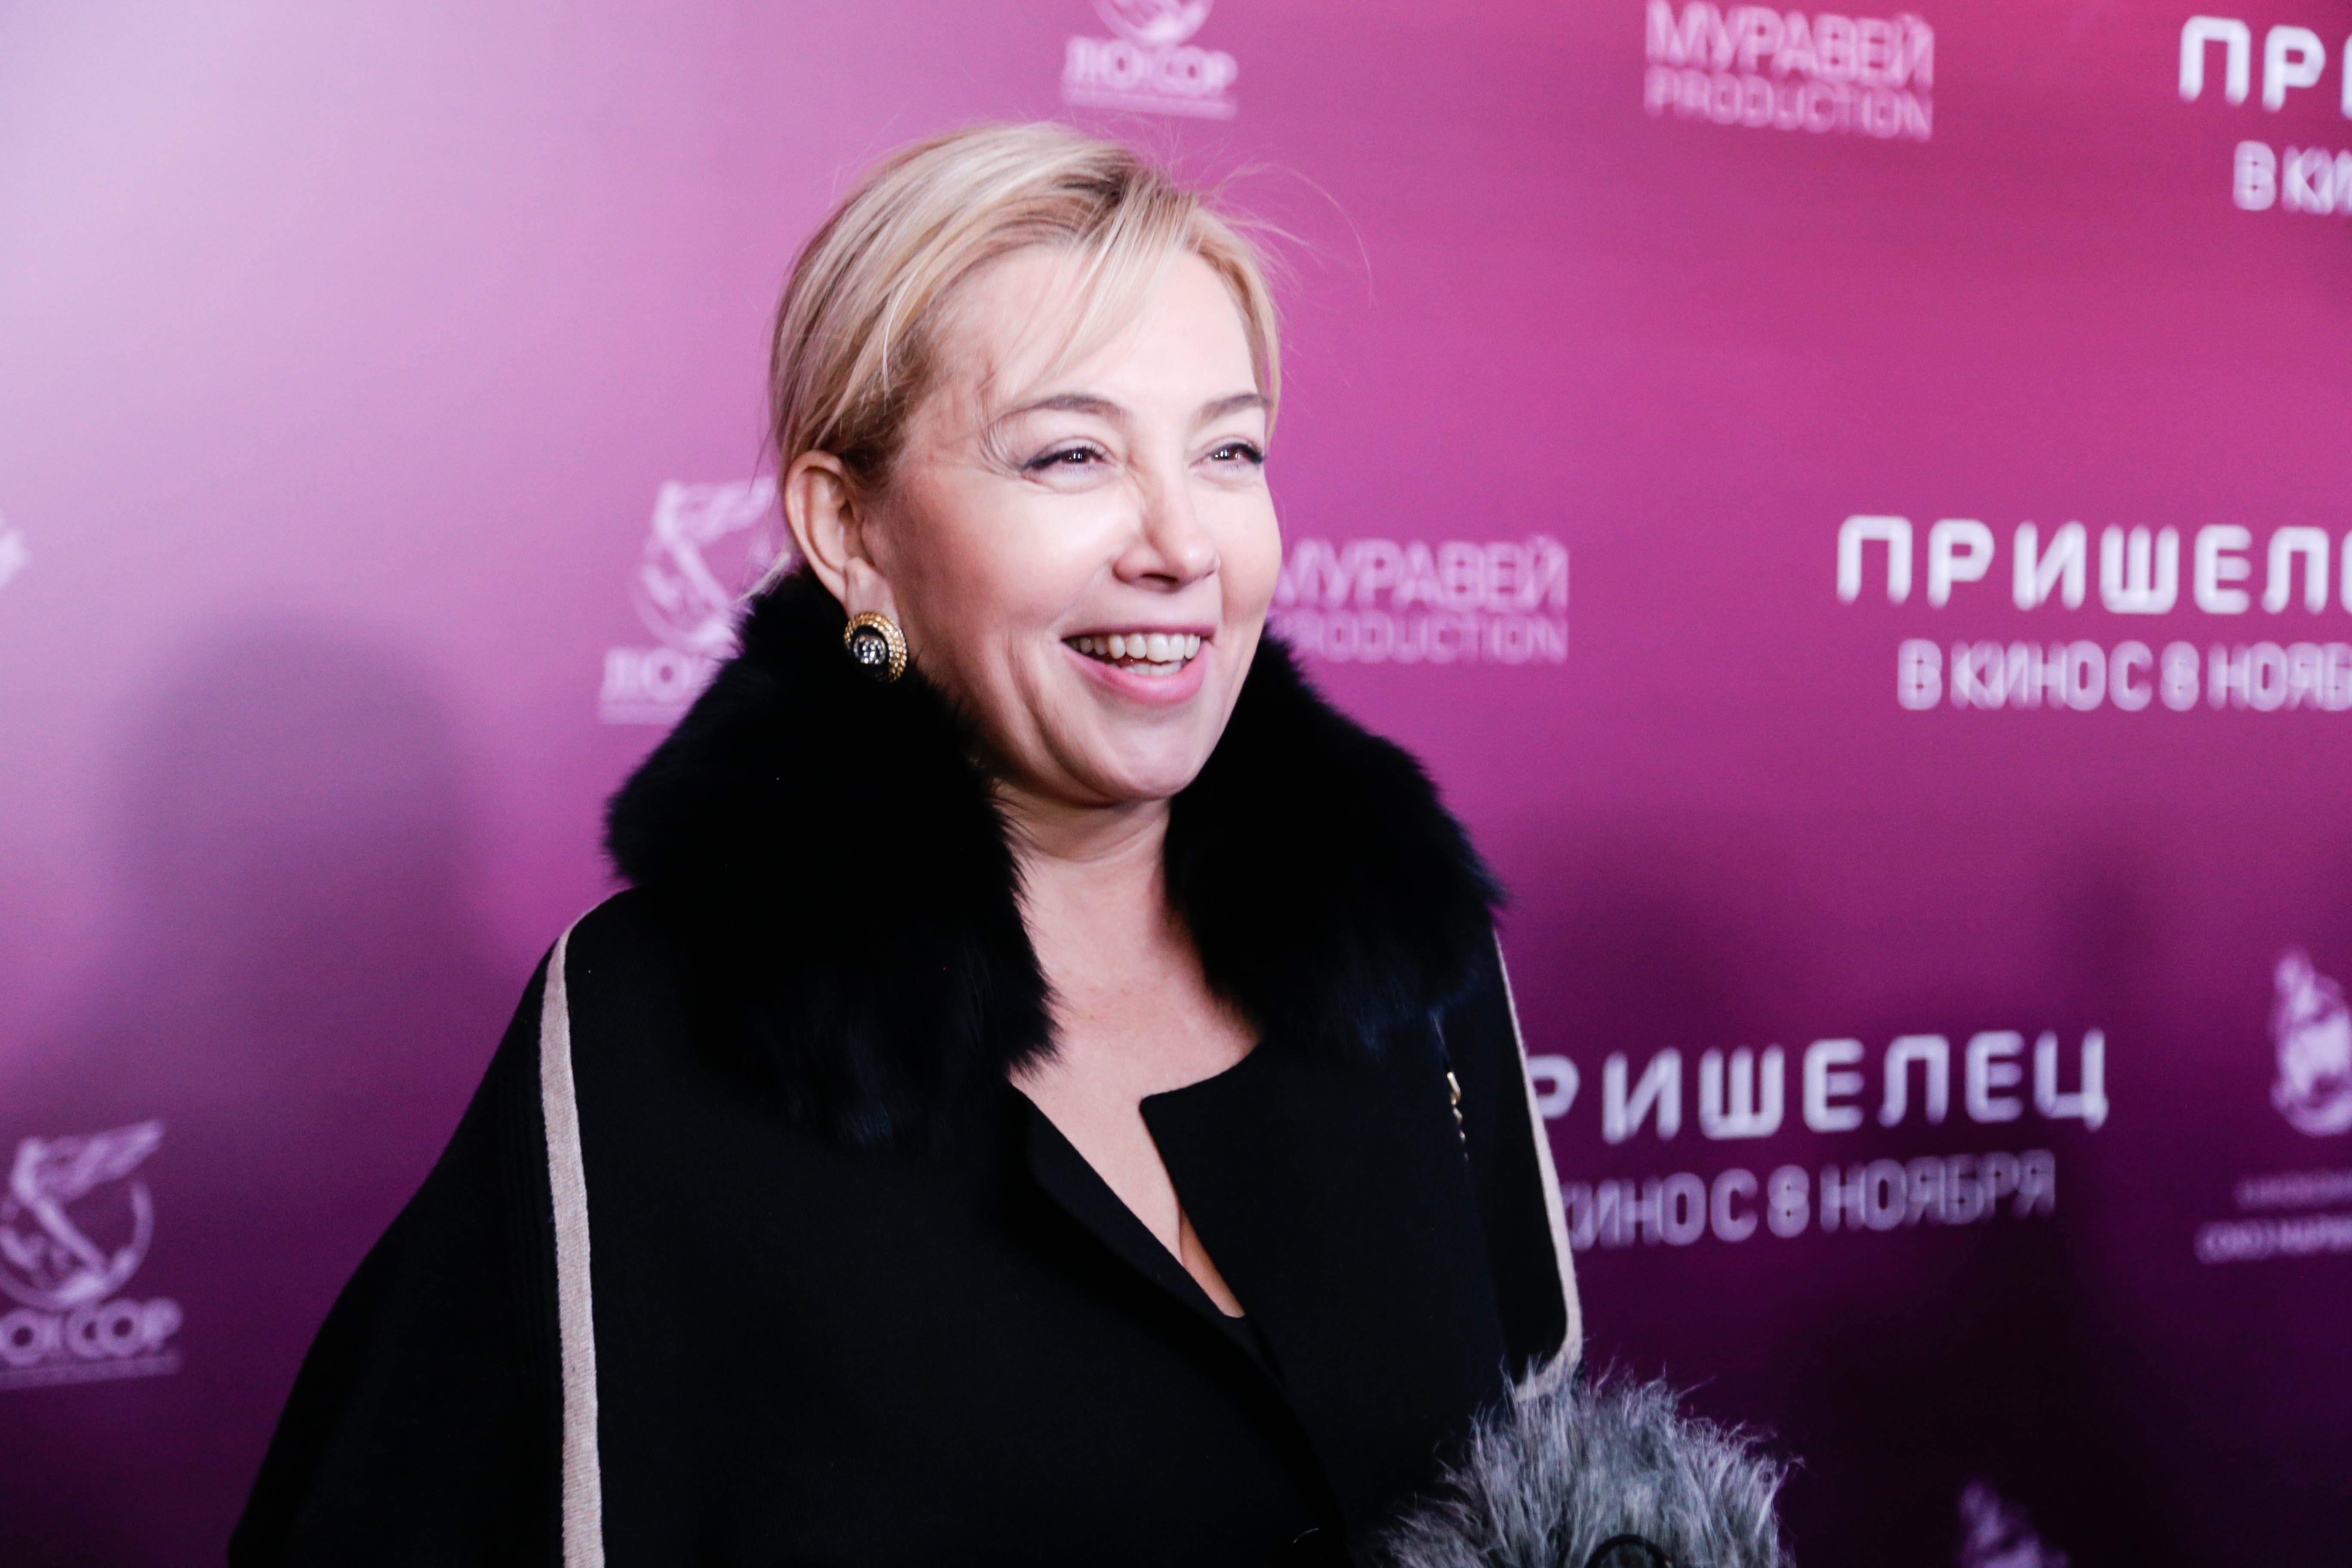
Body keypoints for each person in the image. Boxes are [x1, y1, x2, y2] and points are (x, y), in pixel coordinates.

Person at [231, 121, 1579, 1567]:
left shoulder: (1408, 954)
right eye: (1072, 454)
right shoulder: (650, 1031)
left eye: (1229, 450)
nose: (1183, 544)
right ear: (850, 531)